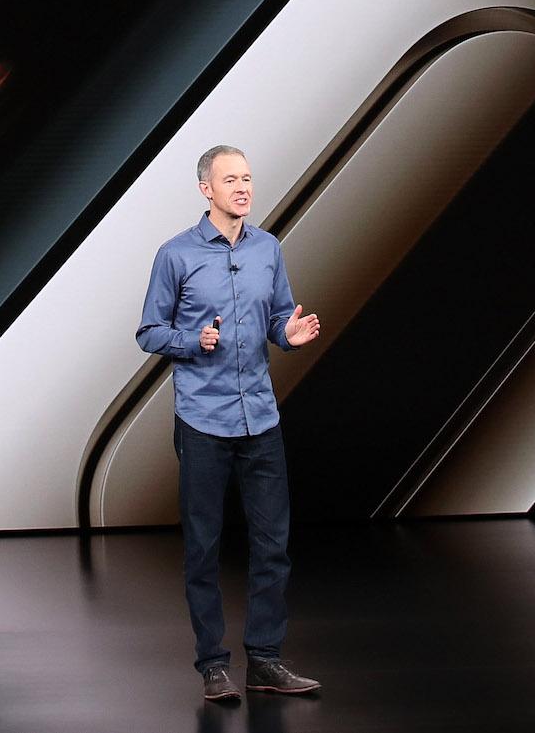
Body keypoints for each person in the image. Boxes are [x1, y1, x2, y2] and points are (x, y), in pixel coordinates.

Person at [135, 144, 324, 701]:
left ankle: (265, 659)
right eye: (230, 179)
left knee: (272, 545)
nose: (242, 188)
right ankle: (213, 665)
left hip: (260, 418)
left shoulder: (267, 248)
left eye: (247, 178)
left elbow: (277, 315)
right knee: (204, 546)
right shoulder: (176, 255)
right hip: (203, 420)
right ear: (206, 190)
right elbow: (149, 331)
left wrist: (286, 335)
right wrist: (194, 342)